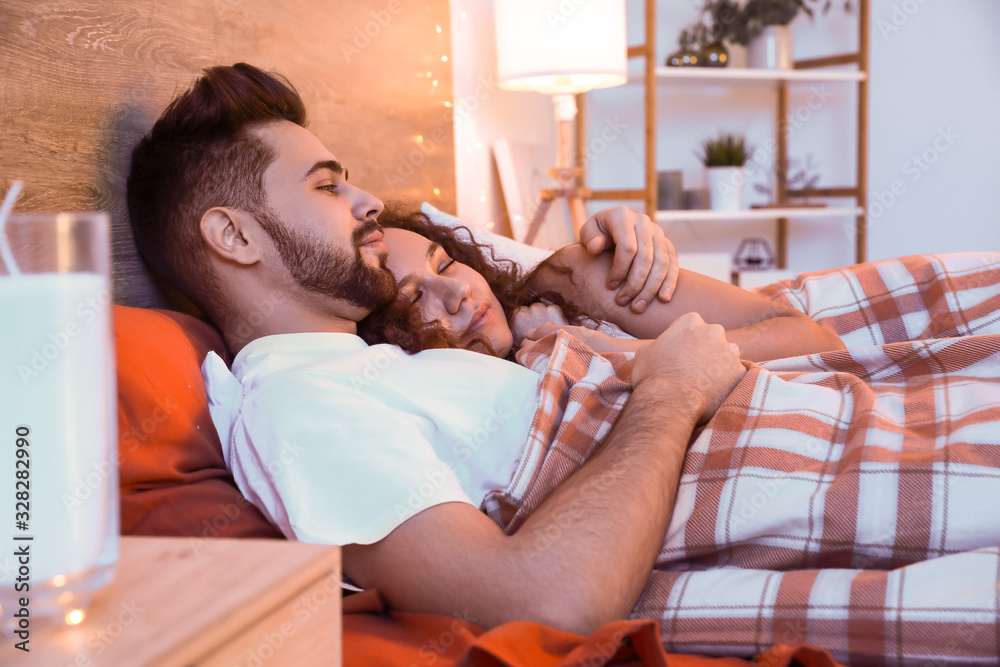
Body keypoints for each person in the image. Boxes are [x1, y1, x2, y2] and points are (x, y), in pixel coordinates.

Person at [126, 62, 747, 634]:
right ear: (234, 236)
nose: (367, 201)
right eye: (325, 188)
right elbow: (541, 602)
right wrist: (671, 391)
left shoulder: (390, 362)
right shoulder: (300, 407)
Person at [360, 210, 846, 361]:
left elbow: (812, 341)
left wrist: (610, 349)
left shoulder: (570, 282)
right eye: (413, 298)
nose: (457, 292)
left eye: (445, 266)